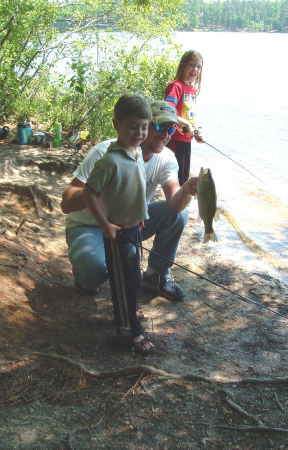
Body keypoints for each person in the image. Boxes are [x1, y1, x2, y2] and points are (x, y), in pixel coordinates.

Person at [61, 100, 197, 305]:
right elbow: (66, 203)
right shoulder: (105, 152)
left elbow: (175, 204)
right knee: (93, 276)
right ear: (143, 124)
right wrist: (102, 187)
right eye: (159, 127)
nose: (165, 135)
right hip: (89, 225)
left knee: (180, 214)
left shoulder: (166, 159)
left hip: (128, 225)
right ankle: (94, 270)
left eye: (171, 128)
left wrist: (188, 189)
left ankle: (155, 275)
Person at [82, 93, 153, 353]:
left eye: (144, 127)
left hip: (134, 228)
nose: (139, 132)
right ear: (117, 125)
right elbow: (88, 192)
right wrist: (105, 225)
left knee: (133, 277)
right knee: (123, 282)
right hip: (117, 233)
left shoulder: (136, 153)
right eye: (133, 126)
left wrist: (142, 216)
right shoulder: (110, 160)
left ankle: (129, 313)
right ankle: (131, 333)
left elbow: (135, 190)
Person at [165, 50, 203, 186]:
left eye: (199, 67)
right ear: (183, 66)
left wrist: (195, 130)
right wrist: (186, 124)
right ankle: (175, 205)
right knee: (176, 178)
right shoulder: (176, 86)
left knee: (184, 177)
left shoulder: (191, 90)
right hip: (175, 138)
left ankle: (179, 204)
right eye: (192, 65)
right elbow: (168, 111)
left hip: (186, 140)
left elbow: (188, 115)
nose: (195, 70)